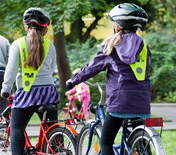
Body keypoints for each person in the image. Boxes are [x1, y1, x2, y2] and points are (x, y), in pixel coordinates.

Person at [66, 3, 150, 155]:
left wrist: (73, 80)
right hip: (142, 99)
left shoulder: (112, 45)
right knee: (142, 140)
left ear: (118, 25)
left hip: (120, 100)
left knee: (106, 142)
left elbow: (92, 67)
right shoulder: (143, 46)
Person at [1, 7, 59, 155]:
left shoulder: (18, 44)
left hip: (26, 92)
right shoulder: (50, 45)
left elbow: (11, 70)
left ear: (25, 25)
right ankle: (58, 150)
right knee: (52, 128)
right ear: (44, 28)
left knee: (17, 128)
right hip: (48, 92)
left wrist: (6, 89)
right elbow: (52, 69)